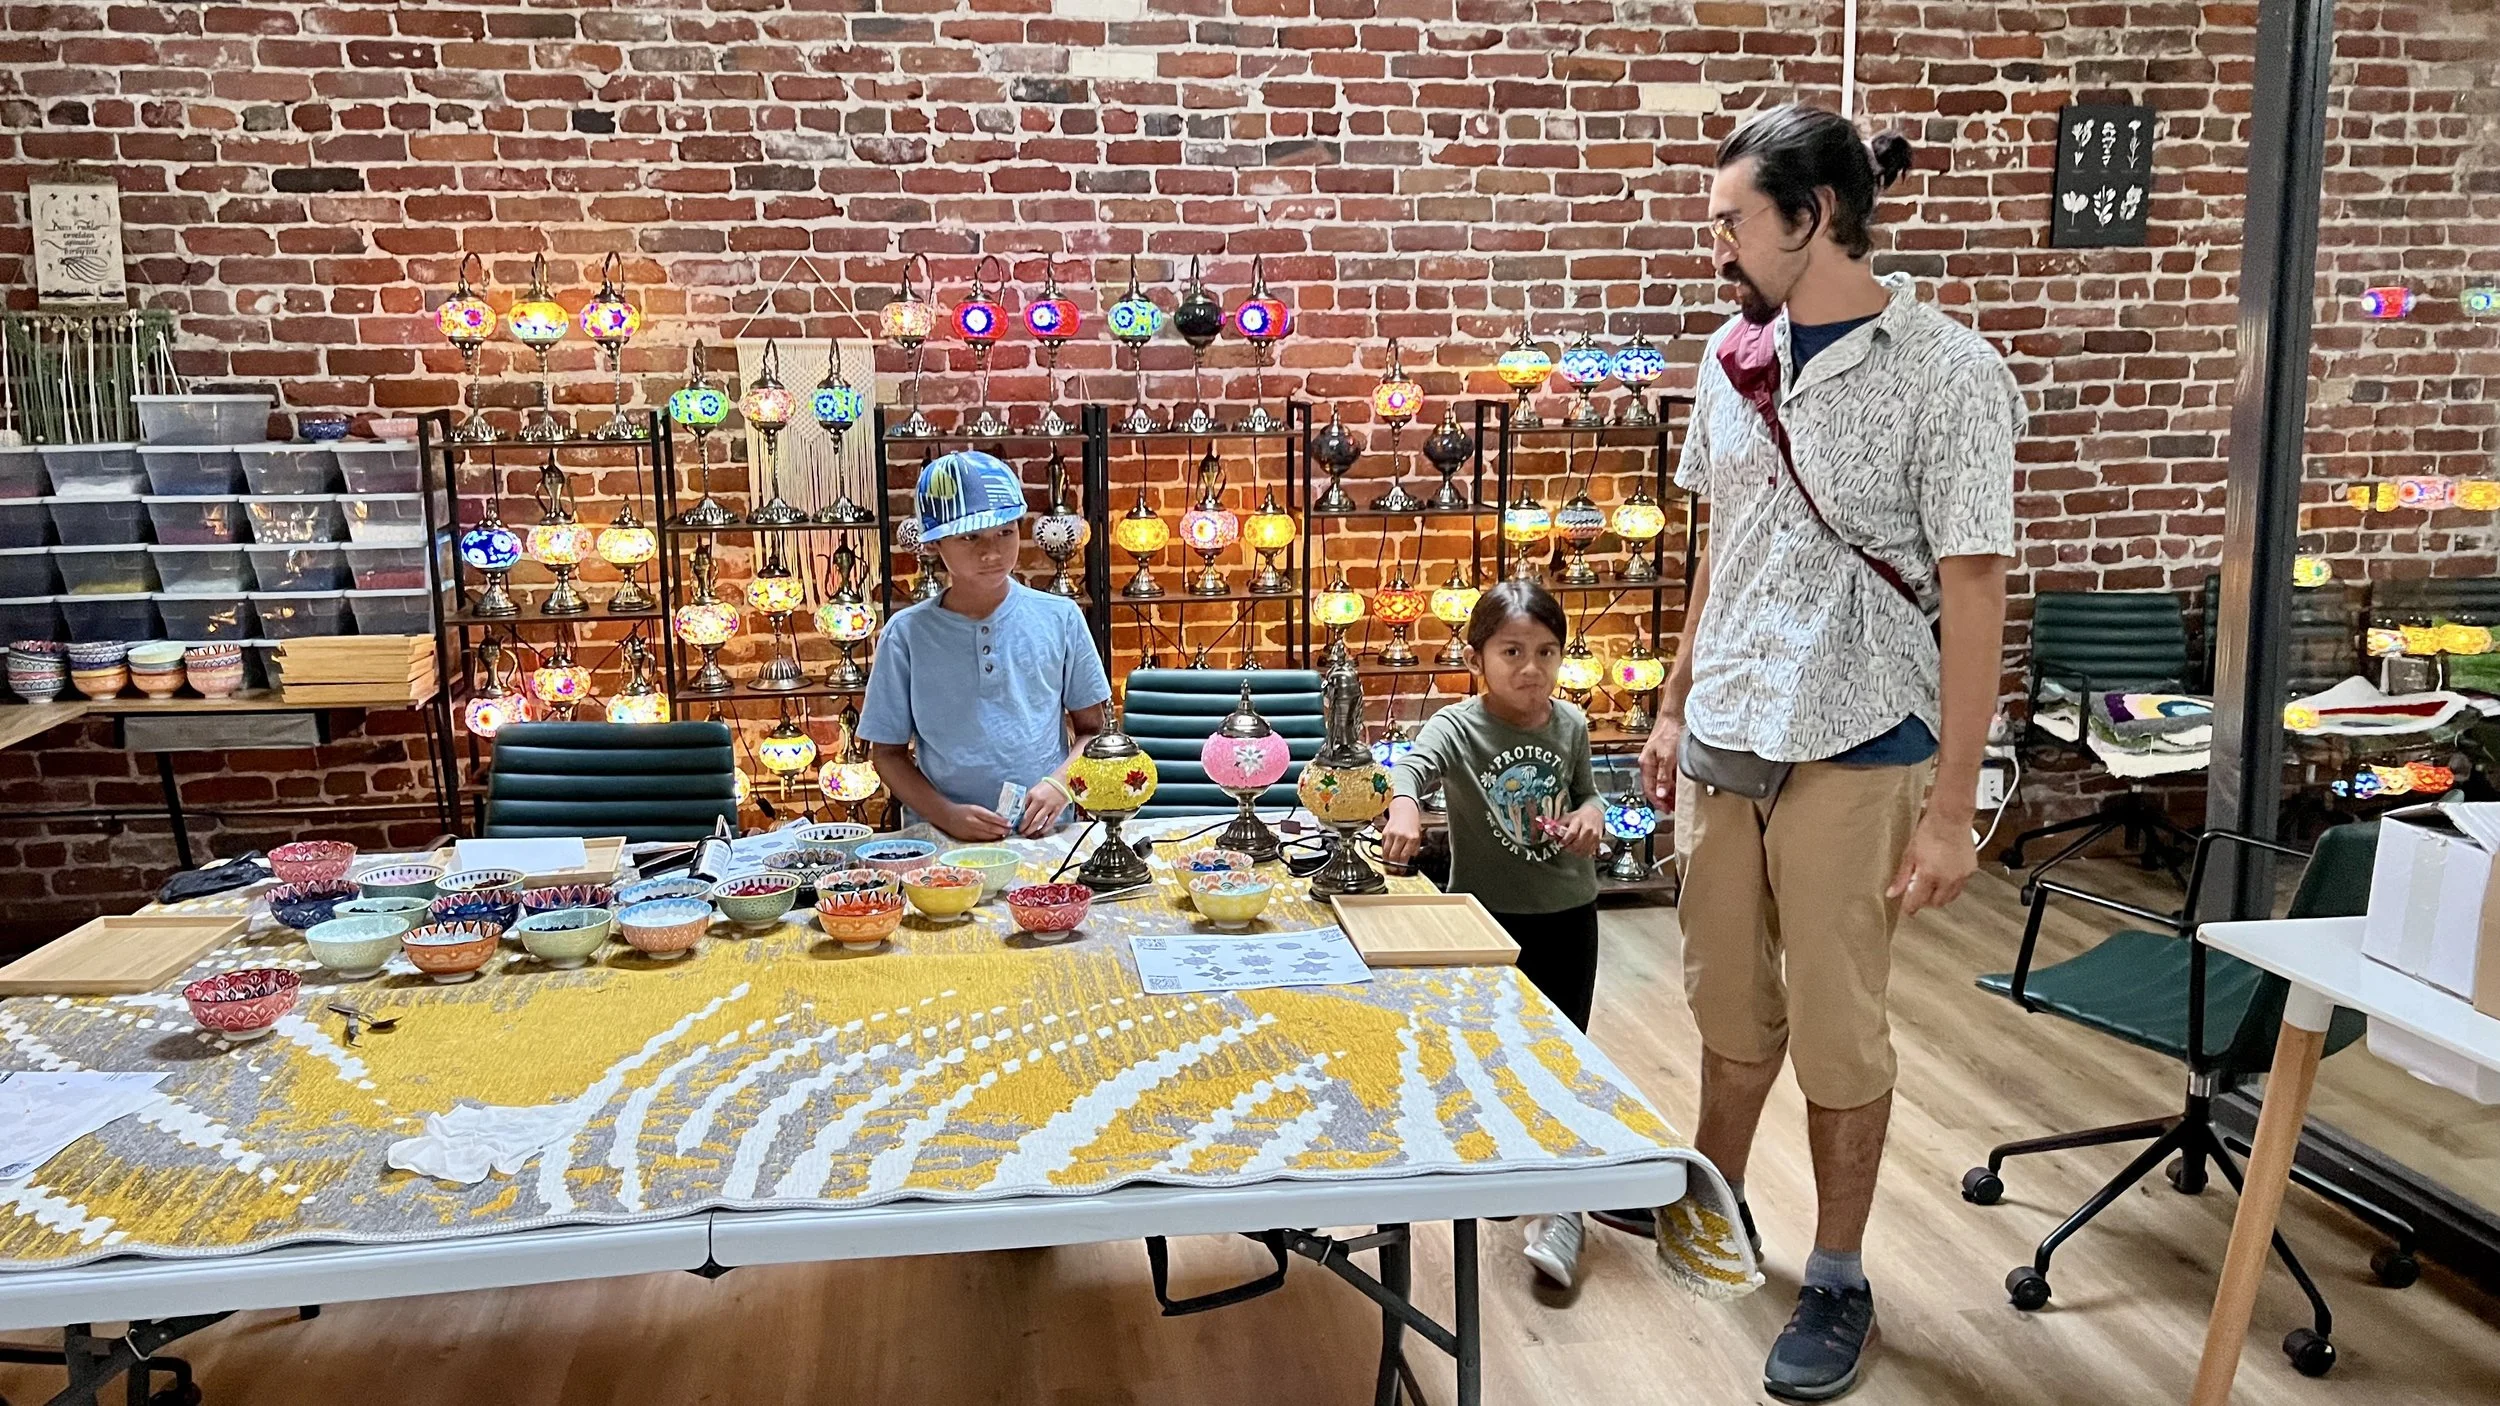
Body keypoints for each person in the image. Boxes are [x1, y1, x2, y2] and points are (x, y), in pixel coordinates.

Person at [1635, 104, 2021, 1401]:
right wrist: (1674, 701)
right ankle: (1714, 1192)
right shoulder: (1726, 354)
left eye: (1731, 223)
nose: (1715, 250)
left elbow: (1973, 591)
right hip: (1729, 728)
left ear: (1811, 219)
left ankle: (1840, 1272)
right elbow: (1721, 546)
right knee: (1725, 1002)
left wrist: (1953, 809)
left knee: (1842, 1030)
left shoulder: (1950, 372)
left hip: (1862, 737)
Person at [1379, 579, 1608, 1289]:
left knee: (1564, 1057)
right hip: (1484, 922)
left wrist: (1592, 816)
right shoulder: (1458, 725)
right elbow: (1413, 766)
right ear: (1478, 654)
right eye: (1512, 651)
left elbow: (1586, 789)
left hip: (1569, 916)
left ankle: (1563, 1209)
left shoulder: (1569, 725)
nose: (1531, 668)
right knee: (1489, 1054)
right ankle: (1506, 1166)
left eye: (1547, 652)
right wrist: (1407, 808)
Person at [860, 450, 1113, 842]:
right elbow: (887, 754)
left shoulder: (1060, 618)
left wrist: (1061, 787)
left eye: (1005, 532)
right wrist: (947, 815)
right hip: (943, 842)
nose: (991, 552)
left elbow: (1093, 731)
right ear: (934, 545)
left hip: (1045, 835)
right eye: (969, 537)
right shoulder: (907, 634)